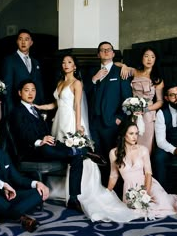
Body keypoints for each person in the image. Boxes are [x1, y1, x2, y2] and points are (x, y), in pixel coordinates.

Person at [36, 55, 141, 222]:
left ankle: (78, 192)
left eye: (69, 62)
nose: (66, 65)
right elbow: (57, 104)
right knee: (63, 153)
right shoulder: (59, 83)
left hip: (71, 120)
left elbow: (77, 105)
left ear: (75, 67)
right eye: (63, 62)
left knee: (76, 152)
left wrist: (78, 126)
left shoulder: (77, 83)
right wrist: (40, 106)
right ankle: (64, 190)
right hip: (59, 120)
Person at [9, 79, 104, 213]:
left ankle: (73, 199)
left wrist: (49, 139)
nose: (30, 93)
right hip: (31, 150)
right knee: (49, 148)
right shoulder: (17, 111)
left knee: (75, 157)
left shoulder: (35, 110)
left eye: (33, 90)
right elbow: (21, 134)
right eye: (26, 90)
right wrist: (40, 141)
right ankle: (81, 151)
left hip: (46, 148)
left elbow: (45, 133)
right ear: (19, 93)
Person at [107, 121, 177, 218]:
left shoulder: (143, 149)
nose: (135, 137)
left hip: (148, 184)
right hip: (131, 190)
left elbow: (148, 173)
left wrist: (145, 193)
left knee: (164, 203)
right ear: (123, 135)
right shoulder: (114, 153)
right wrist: (106, 193)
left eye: (136, 133)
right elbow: (114, 175)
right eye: (131, 133)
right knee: (139, 209)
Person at [85, 41, 132, 187]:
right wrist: (94, 79)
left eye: (108, 50)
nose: (105, 52)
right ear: (98, 54)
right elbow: (83, 94)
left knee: (113, 156)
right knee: (97, 156)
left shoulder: (120, 72)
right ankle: (100, 188)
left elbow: (128, 99)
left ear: (113, 53)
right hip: (93, 122)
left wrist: (119, 118)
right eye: (102, 50)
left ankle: (115, 190)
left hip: (111, 122)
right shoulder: (91, 72)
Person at [119, 47, 164, 154]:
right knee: (131, 142)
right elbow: (114, 64)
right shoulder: (135, 72)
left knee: (146, 144)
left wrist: (146, 109)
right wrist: (123, 66)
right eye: (146, 56)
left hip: (148, 115)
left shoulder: (157, 79)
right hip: (133, 113)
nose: (149, 59)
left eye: (152, 57)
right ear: (142, 58)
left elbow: (160, 101)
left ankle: (146, 169)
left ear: (155, 60)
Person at [154, 84, 177, 188]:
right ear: (166, 98)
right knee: (158, 157)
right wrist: (175, 150)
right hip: (171, 145)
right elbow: (160, 141)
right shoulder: (161, 113)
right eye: (172, 95)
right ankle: (162, 191)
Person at [2, 28, 45, 115]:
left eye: (26, 39)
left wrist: (42, 107)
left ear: (31, 43)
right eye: (20, 39)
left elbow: (39, 86)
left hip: (34, 107)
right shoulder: (10, 60)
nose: (23, 42)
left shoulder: (35, 62)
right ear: (17, 42)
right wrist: (10, 110)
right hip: (17, 107)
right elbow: (7, 87)